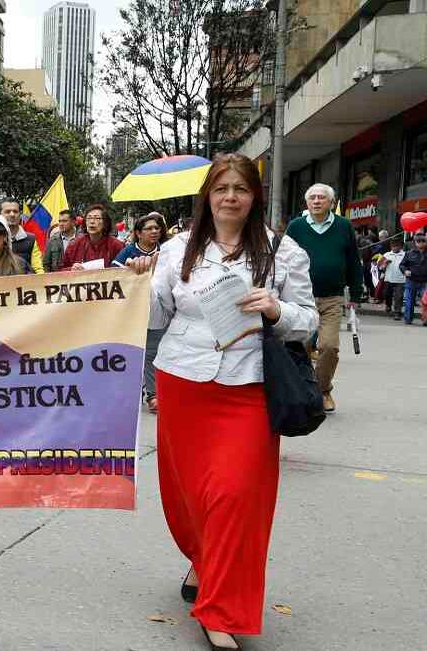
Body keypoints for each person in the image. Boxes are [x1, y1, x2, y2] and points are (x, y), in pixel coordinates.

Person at [126, 153, 317, 651]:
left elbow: (309, 319)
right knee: (189, 497)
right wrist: (140, 284)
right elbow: (156, 318)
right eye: (221, 189)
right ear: (207, 197)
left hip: (249, 387)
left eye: (240, 189)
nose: (230, 197)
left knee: (236, 496)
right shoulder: (176, 250)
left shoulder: (283, 250)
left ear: (255, 196)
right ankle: (204, 560)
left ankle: (220, 610)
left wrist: (277, 310)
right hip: (183, 383)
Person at [285, 183, 363, 413]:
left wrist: (356, 293)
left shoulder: (343, 226)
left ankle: (322, 390)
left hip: (332, 298)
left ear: (331, 202)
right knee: (302, 348)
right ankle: (303, 391)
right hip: (301, 297)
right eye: (313, 198)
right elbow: (283, 258)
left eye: (322, 197)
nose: (317, 201)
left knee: (329, 347)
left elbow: (353, 261)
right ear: (307, 203)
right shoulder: (296, 227)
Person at [113, 212, 168, 414]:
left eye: (157, 228)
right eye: (149, 228)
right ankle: (129, 394)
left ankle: (153, 395)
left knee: (153, 353)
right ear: (137, 233)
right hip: (131, 312)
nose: (154, 232)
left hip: (159, 311)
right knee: (131, 353)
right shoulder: (126, 252)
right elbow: (115, 278)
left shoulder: (166, 252)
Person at [63, 205, 125, 270]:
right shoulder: (74, 244)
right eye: (89, 218)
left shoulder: (117, 245)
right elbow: (60, 271)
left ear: (105, 223)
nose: (92, 222)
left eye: (97, 218)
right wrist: (71, 269)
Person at [0, 200, 44, 273]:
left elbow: (38, 269)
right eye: (7, 212)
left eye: (15, 211)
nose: (12, 214)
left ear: (20, 214)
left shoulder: (30, 239)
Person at [399, 233, 427, 325]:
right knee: (409, 302)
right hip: (411, 281)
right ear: (415, 242)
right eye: (418, 241)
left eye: (423, 241)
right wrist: (405, 271)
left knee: (425, 302)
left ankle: (425, 320)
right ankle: (408, 318)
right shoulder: (409, 253)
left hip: (424, 282)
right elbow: (402, 265)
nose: (421, 243)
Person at [380, 238, 406, 319]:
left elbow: (408, 265)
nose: (395, 248)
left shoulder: (405, 255)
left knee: (399, 296)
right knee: (387, 294)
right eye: (393, 246)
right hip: (389, 278)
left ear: (400, 247)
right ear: (391, 247)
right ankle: (388, 305)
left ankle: (397, 312)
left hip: (400, 279)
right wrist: (384, 264)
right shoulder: (386, 255)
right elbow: (380, 266)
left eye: (397, 246)